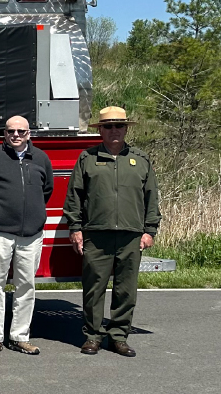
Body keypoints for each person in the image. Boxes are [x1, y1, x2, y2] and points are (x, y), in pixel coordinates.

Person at [65, 106, 159, 358]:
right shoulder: (87, 158)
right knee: (93, 289)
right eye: (108, 126)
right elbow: (74, 196)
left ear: (126, 129)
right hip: (96, 235)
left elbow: (151, 198)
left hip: (131, 235)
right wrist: (75, 228)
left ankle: (118, 337)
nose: (114, 130)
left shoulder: (141, 160)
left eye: (119, 126)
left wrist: (150, 230)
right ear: (101, 131)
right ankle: (92, 337)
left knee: (125, 291)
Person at [0, 116, 54, 355]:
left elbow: (47, 190)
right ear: (4, 133)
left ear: (29, 133)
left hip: (31, 234)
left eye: (21, 131)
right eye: (11, 131)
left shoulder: (41, 158)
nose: (16, 135)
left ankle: (20, 336)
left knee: (26, 286)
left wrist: (32, 215)